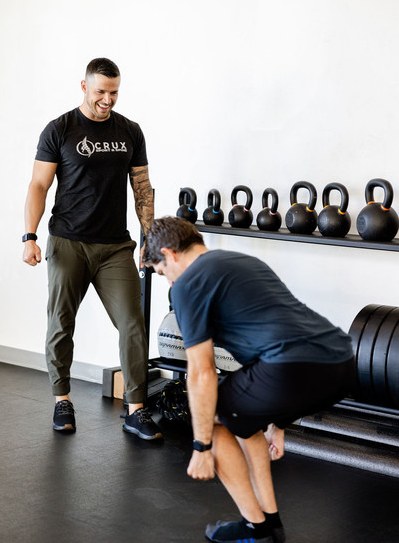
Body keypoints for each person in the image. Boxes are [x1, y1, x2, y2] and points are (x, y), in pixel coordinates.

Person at [142, 216, 355, 543]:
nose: (169, 282)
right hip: (340, 362)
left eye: (162, 272)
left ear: (169, 254)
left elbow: (201, 371)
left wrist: (201, 446)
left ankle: (256, 528)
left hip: (291, 367)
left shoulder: (187, 284)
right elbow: (279, 332)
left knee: (212, 413)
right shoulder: (241, 261)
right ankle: (269, 523)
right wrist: (278, 422)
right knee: (241, 415)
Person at [22, 58, 162, 440]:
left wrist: (149, 237)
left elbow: (142, 188)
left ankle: (135, 409)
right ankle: (62, 400)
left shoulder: (130, 131)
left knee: (133, 323)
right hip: (68, 241)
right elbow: (39, 185)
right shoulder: (60, 129)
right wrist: (29, 236)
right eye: (100, 91)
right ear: (83, 86)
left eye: (114, 92)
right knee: (61, 323)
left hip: (115, 246)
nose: (107, 99)